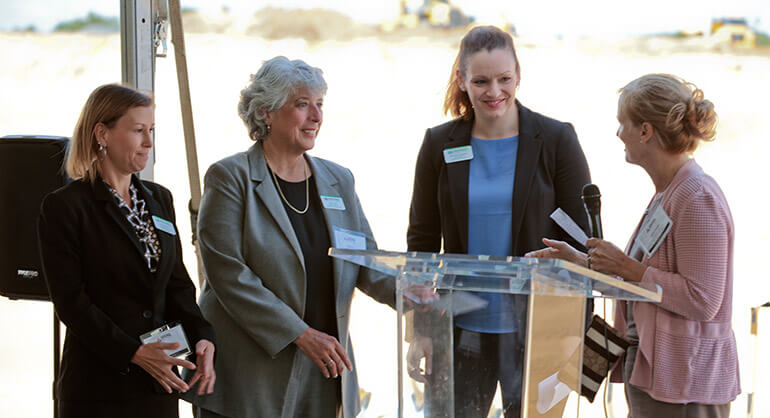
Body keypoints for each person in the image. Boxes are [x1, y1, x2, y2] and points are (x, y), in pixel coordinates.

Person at [180, 56, 396, 418]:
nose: (316, 116)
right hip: (249, 380)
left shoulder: (338, 180)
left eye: (319, 104)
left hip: (323, 372)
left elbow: (364, 258)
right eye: (302, 104)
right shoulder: (230, 177)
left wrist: (413, 291)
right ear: (266, 112)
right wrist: (299, 333)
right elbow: (228, 275)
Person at [526, 73, 739, 417]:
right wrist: (586, 264)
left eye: (621, 123)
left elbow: (703, 300)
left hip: (686, 388)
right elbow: (644, 287)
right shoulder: (668, 193)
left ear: (645, 131)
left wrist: (628, 268)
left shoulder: (697, 197)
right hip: (653, 380)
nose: (618, 133)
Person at [406, 26, 592, 418]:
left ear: (518, 74)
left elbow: (584, 237)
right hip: (460, 330)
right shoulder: (439, 144)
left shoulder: (557, 139)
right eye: (481, 81)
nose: (495, 92)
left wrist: (577, 335)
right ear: (462, 79)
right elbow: (421, 239)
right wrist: (419, 328)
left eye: (504, 79)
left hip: (541, 332)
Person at [37, 84, 216, 418]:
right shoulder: (66, 207)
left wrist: (203, 337)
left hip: (158, 386)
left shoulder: (160, 199)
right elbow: (71, 304)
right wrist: (134, 352)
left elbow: (177, 284)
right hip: (98, 390)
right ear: (102, 133)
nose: (149, 142)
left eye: (152, 131)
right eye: (138, 131)